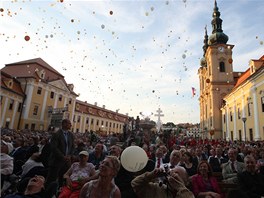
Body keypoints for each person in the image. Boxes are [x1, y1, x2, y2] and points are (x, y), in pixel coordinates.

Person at [45, 119, 75, 187]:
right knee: (51, 179)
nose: (71, 125)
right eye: (69, 123)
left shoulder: (71, 135)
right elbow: (54, 148)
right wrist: (63, 157)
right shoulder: (56, 134)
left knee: (63, 179)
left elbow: (73, 146)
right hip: (56, 161)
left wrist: (69, 155)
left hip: (66, 162)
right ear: (64, 124)